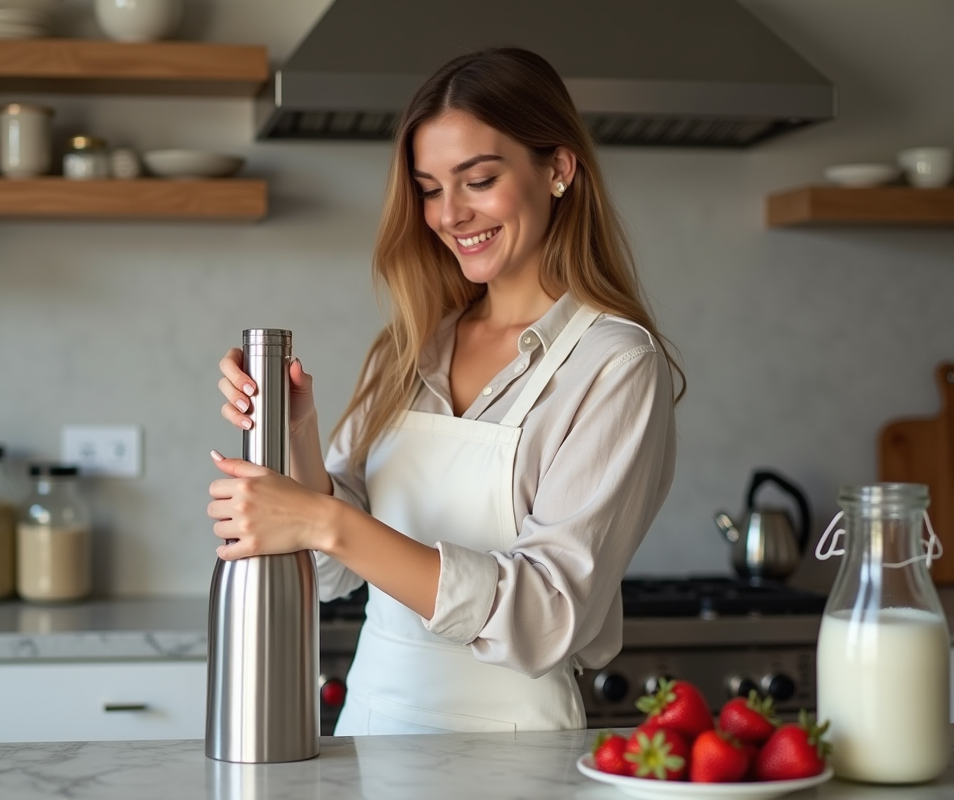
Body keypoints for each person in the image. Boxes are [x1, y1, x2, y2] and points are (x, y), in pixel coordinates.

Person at [207, 47, 683, 735]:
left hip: (514, 751)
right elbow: (332, 572)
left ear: (558, 168)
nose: (450, 214)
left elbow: (547, 613)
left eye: (478, 180)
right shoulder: (410, 347)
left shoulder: (614, 363)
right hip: (372, 734)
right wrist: (295, 433)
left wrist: (323, 521)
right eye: (429, 189)